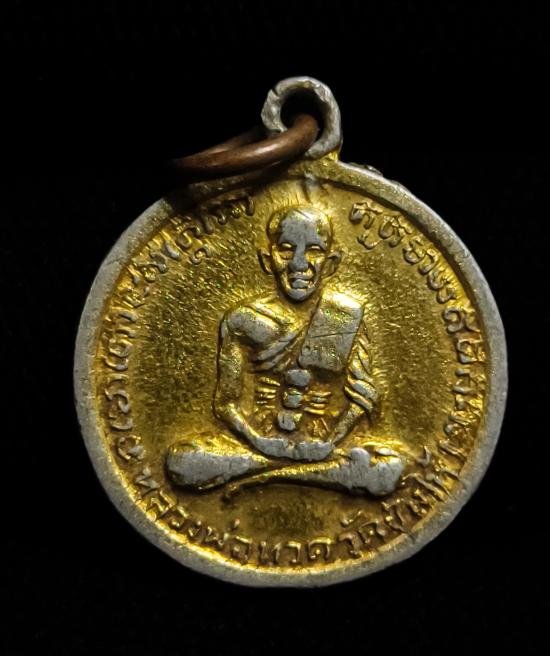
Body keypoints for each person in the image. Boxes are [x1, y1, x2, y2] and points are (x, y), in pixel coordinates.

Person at [166, 205, 406, 496]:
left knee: (389, 469)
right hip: (255, 445)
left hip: (322, 447)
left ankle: (264, 474)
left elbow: (362, 399)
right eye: (286, 250)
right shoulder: (243, 321)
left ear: (331, 262)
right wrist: (260, 442)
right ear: (268, 260)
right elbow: (225, 404)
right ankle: (298, 473)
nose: (299, 264)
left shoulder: (343, 315)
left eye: (314, 251)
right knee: (184, 462)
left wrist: (329, 442)